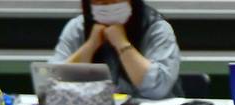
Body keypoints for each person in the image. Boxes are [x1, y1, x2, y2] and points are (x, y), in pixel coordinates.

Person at [51, 0, 181, 99]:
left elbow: (158, 89)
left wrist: (121, 43)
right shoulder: (77, 27)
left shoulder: (156, 28)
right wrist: (90, 45)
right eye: (100, 1)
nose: (107, 5)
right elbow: (53, 84)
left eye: (115, 1)